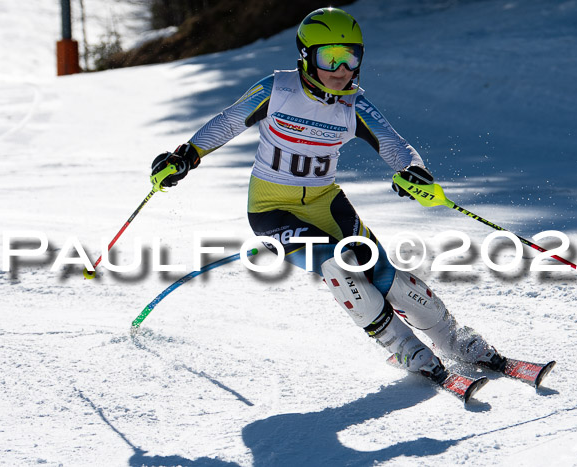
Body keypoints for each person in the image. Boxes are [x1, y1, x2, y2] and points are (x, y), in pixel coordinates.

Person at [151, 7, 505, 383]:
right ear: (305, 56)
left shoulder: (355, 106)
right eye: (329, 57)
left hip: (326, 203)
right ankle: (402, 345)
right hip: (272, 210)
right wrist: (186, 155)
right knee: (339, 264)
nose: (341, 70)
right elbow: (227, 121)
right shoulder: (278, 90)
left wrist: (413, 171)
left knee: (387, 276)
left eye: (350, 57)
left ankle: (452, 339)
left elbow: (394, 146)